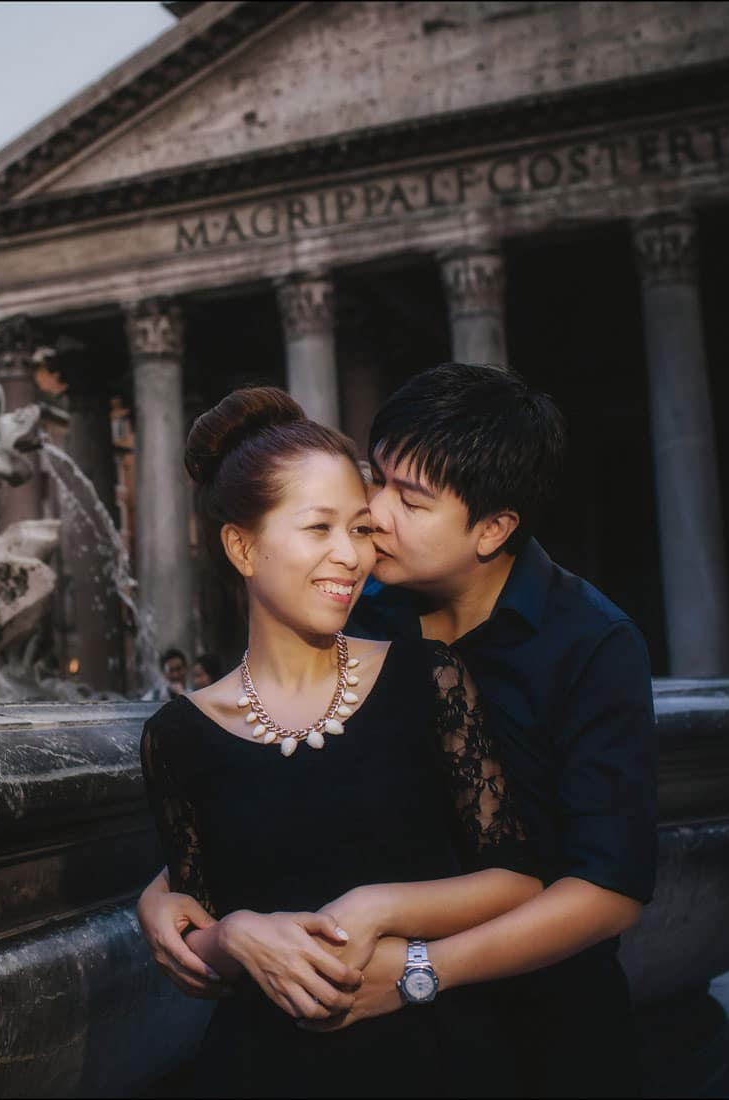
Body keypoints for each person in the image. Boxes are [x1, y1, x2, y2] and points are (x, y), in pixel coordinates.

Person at [140, 364, 657, 1098]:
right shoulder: (365, 612)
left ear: (492, 527)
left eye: (407, 499)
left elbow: (611, 886)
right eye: (375, 480)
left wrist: (420, 970)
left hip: (548, 1026)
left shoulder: (590, 643)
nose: (373, 515)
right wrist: (166, 890)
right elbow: (290, 780)